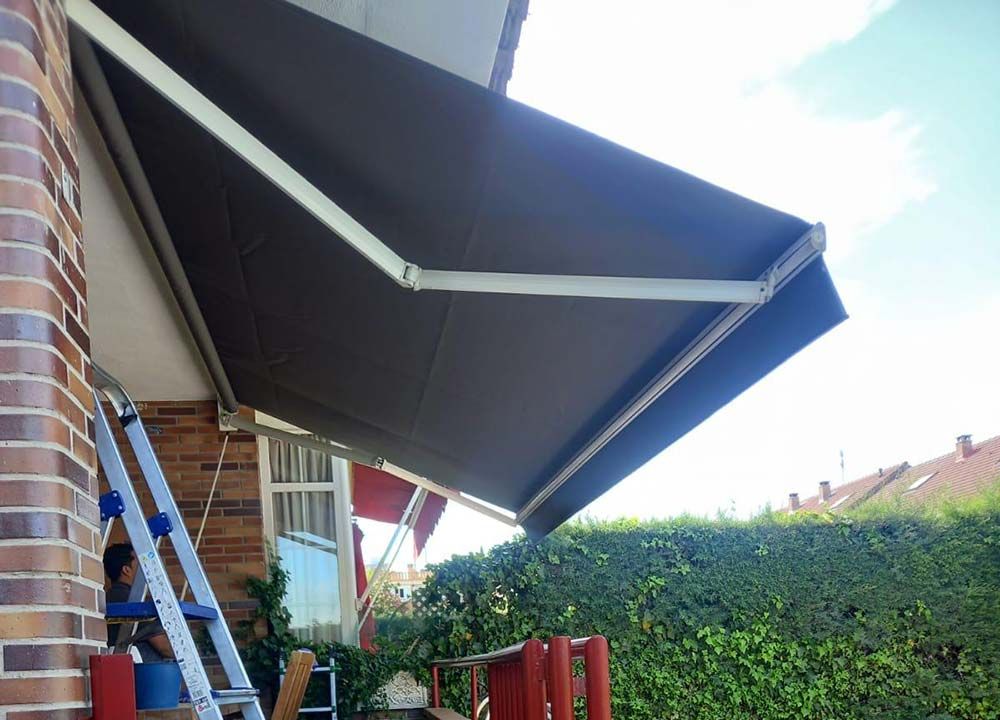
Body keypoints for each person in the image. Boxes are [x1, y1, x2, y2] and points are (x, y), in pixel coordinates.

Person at [103, 543, 175, 661]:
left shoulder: (107, 597)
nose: (144, 568)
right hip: (143, 669)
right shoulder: (134, 600)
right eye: (139, 564)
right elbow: (165, 647)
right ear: (126, 570)